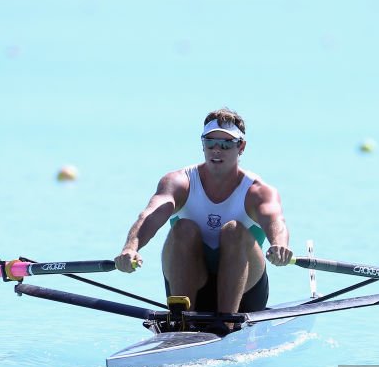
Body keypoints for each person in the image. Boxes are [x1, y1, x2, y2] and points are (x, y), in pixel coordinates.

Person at [114, 108, 292, 320]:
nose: (217, 150)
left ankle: (225, 322)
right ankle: (180, 321)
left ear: (241, 147)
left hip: (246, 291)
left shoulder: (258, 191)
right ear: (203, 145)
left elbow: (275, 221)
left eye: (226, 144)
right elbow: (150, 215)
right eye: (210, 143)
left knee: (234, 230)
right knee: (183, 228)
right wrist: (130, 248)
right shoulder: (179, 182)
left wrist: (280, 245)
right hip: (190, 281)